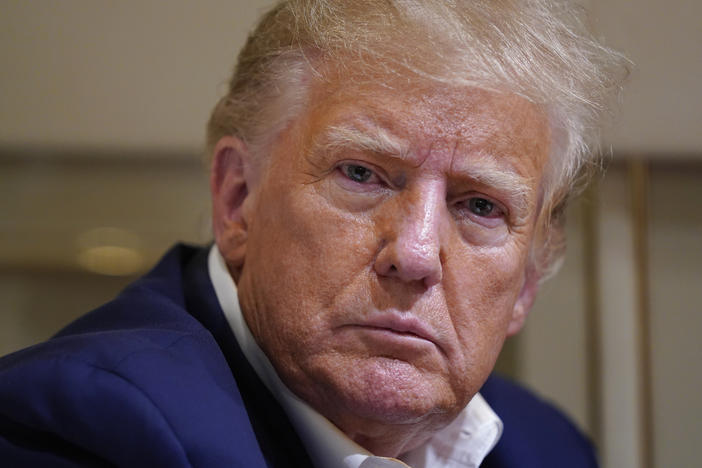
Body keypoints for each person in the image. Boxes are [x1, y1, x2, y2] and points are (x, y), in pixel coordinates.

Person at [0, 1, 628, 467]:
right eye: (362, 174)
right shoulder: (90, 429)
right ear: (237, 199)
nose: (413, 255)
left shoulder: (550, 446)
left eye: (482, 207)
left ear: (528, 282)